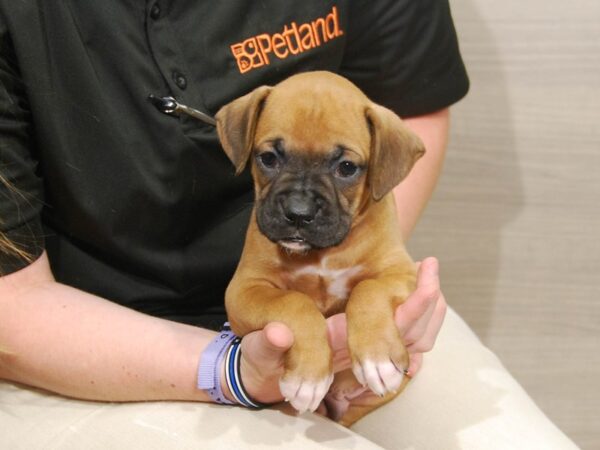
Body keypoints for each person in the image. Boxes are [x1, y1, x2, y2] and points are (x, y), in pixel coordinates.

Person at [0, 1, 578, 449]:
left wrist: (366, 307)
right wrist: (238, 373)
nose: (301, 206)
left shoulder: (377, 167)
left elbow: (415, 105)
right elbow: (13, 309)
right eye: (270, 159)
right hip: (101, 344)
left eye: (345, 167)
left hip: (345, 339)